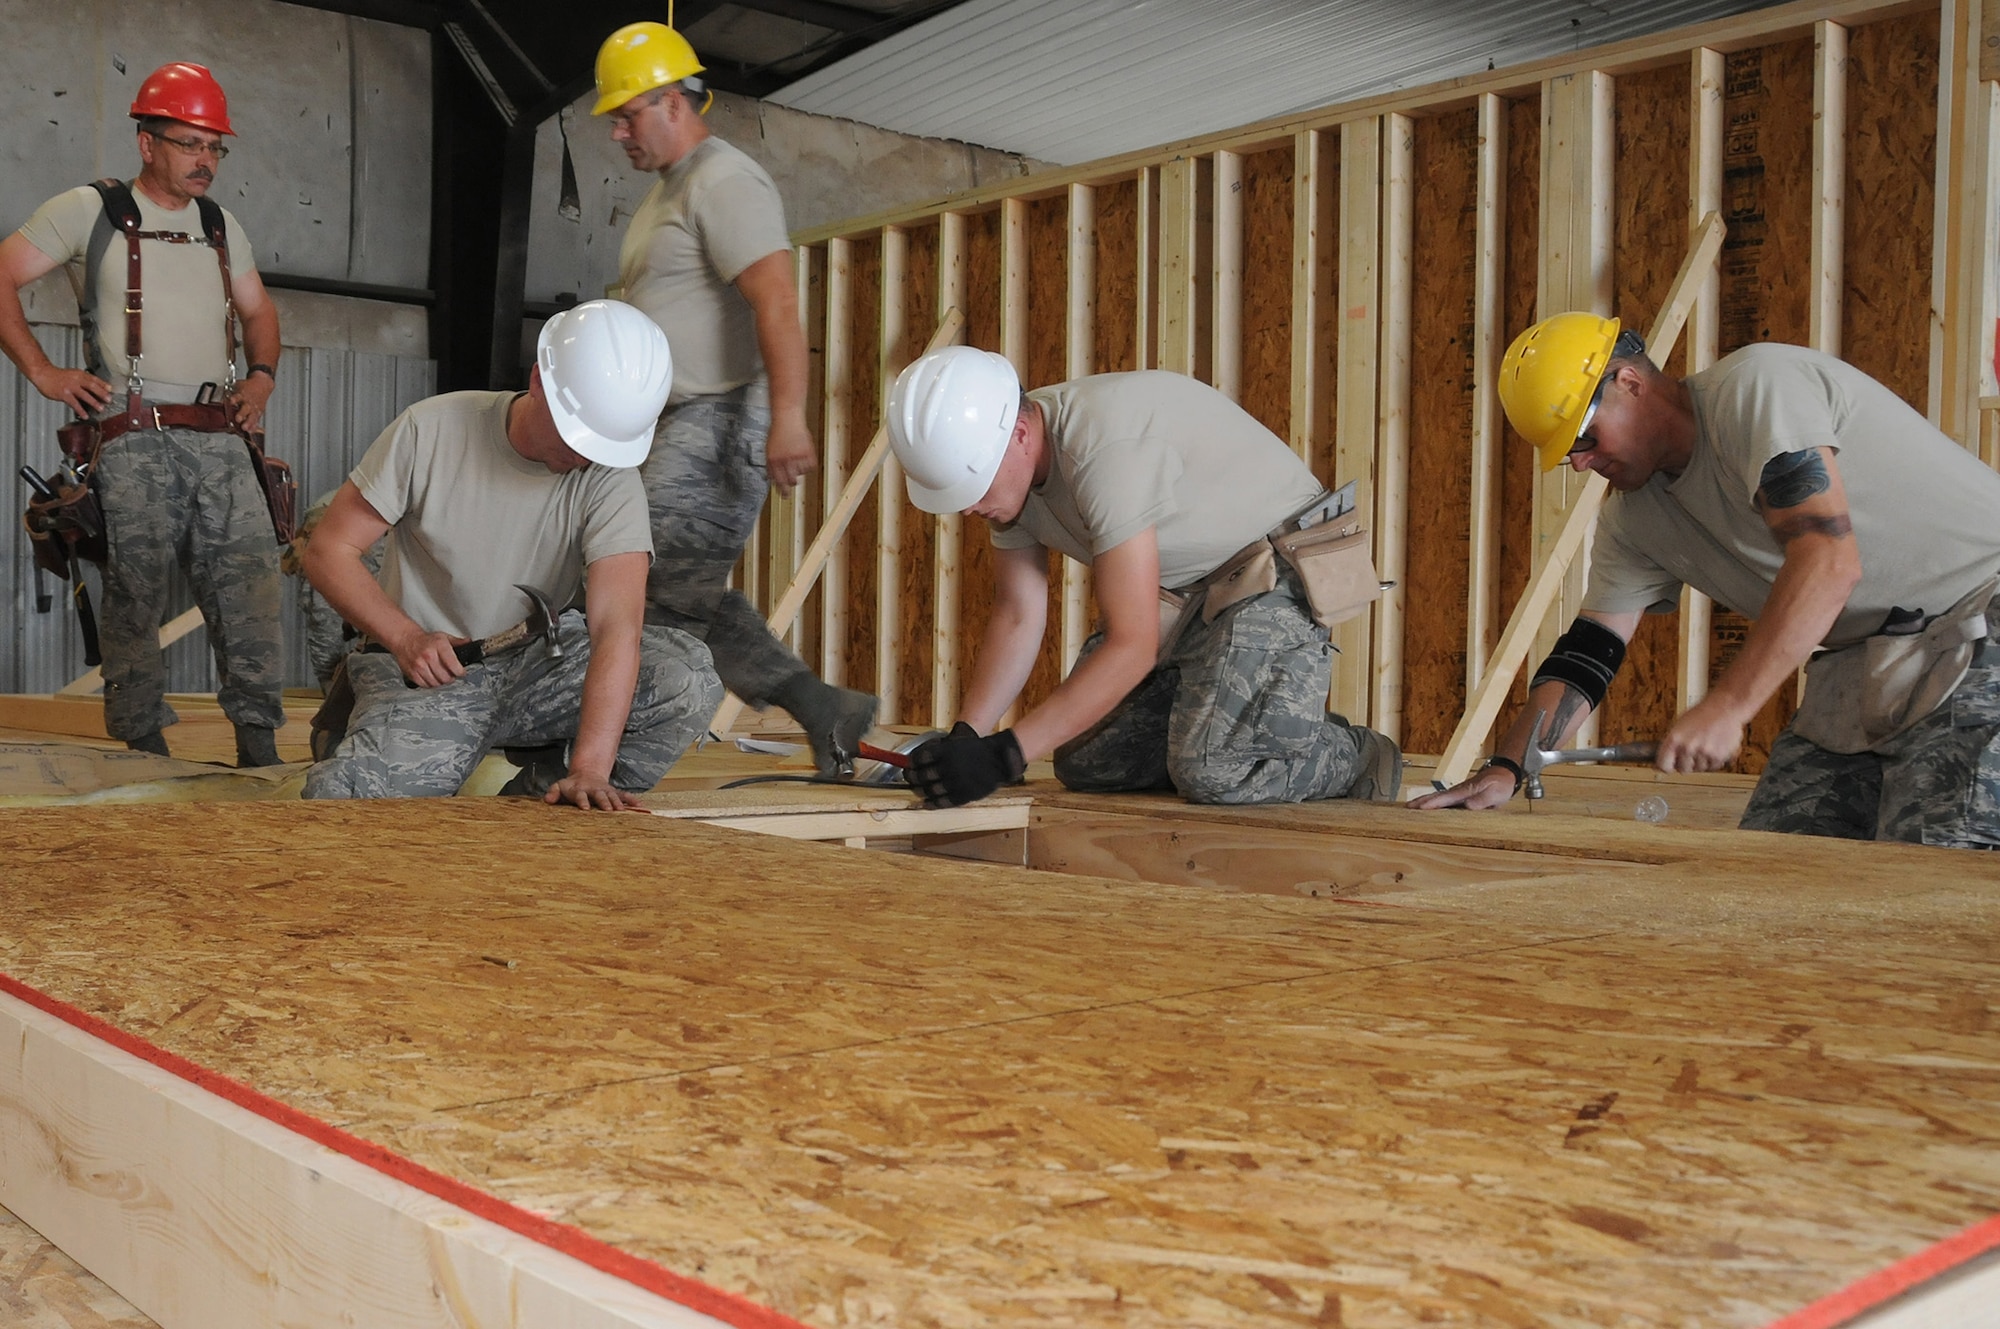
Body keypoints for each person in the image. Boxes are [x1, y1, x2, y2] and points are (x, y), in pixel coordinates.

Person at [1413, 313, 2000, 846]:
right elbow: (1589, 653)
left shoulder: (1756, 389)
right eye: (1569, 452)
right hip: (1877, 658)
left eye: (1584, 437)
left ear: (1630, 383)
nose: (1580, 462)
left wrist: (1726, 706)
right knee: (1769, 871)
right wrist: (1506, 769)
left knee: (1935, 866)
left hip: (1984, 613)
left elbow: (1827, 560)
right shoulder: (1634, 518)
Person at [882, 347, 1404, 810]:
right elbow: (1018, 612)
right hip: (1190, 590)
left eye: (972, 485)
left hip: (1273, 572)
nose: (969, 507)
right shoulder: (1008, 478)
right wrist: (968, 736)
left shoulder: (1103, 449)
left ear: (1020, 434)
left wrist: (1004, 756)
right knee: (1090, 762)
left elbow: (1132, 646)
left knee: (1213, 772)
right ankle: (1224, 729)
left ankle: (1355, 756)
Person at [300, 300, 722, 811]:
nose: (587, 456)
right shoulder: (431, 430)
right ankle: (357, 721)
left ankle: (537, 802)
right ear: (539, 380)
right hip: (432, 672)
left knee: (686, 680)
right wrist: (405, 637)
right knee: (351, 810)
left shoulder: (608, 473)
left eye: (605, 445)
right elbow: (329, 550)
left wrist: (589, 769)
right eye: (579, 434)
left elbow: (616, 626)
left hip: (540, 661)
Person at [592, 21, 876, 774]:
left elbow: (776, 301)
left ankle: (613, 750)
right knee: (670, 588)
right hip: (671, 423)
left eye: (627, 114)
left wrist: (787, 414)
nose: (617, 133)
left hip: (720, 414)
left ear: (674, 101)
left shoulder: (726, 180)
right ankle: (823, 707)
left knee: (647, 585)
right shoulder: (669, 193)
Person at [0, 62, 286, 766]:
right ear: (146, 142)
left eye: (216, 147)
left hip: (222, 436)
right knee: (135, 588)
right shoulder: (90, 210)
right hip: (131, 435)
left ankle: (257, 742)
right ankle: (141, 742)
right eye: (190, 143)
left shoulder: (220, 225)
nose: (206, 161)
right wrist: (42, 371)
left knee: (251, 584)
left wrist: (262, 376)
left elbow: (259, 311)